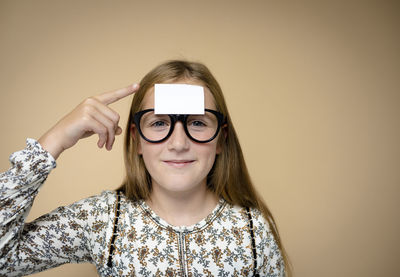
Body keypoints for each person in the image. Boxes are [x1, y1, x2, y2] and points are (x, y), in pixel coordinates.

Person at [0, 60, 291, 276]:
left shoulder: (254, 230)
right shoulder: (102, 220)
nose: (178, 143)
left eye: (198, 123)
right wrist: (55, 140)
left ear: (220, 140)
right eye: (160, 123)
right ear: (137, 139)